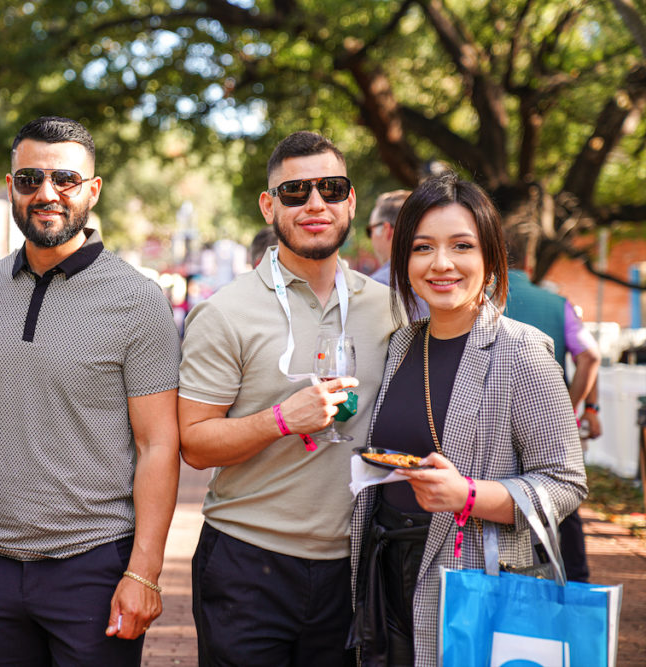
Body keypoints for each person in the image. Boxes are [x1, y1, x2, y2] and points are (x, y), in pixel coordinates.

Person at [349, 172, 587, 666]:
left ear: (490, 257)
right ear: (403, 259)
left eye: (462, 246)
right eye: (422, 248)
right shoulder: (401, 345)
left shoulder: (522, 351)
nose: (441, 264)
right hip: (386, 578)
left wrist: (471, 496)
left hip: (473, 584)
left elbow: (565, 482)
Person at [178, 130, 395, 666]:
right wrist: (280, 419)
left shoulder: (391, 310)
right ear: (268, 205)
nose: (314, 203)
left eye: (330, 188)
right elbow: (196, 445)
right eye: (295, 192)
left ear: (350, 200)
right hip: (247, 563)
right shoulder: (225, 312)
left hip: (352, 566)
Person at [0, 116, 181, 666]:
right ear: (11, 185)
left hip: (92, 567)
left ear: (92, 189)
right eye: (29, 179)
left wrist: (144, 572)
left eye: (65, 179)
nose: (46, 194)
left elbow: (159, 444)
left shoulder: (137, 299)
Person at [504, 228, 602, 582]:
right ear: (529, 262)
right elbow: (590, 356)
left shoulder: (477, 299)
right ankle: (574, 583)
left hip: (495, 426)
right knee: (560, 501)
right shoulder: (557, 304)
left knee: (507, 503)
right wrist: (576, 407)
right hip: (549, 425)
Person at [366, 189, 430, 319]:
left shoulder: (378, 286)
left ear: (386, 230)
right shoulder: (437, 276)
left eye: (369, 231)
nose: (371, 238)